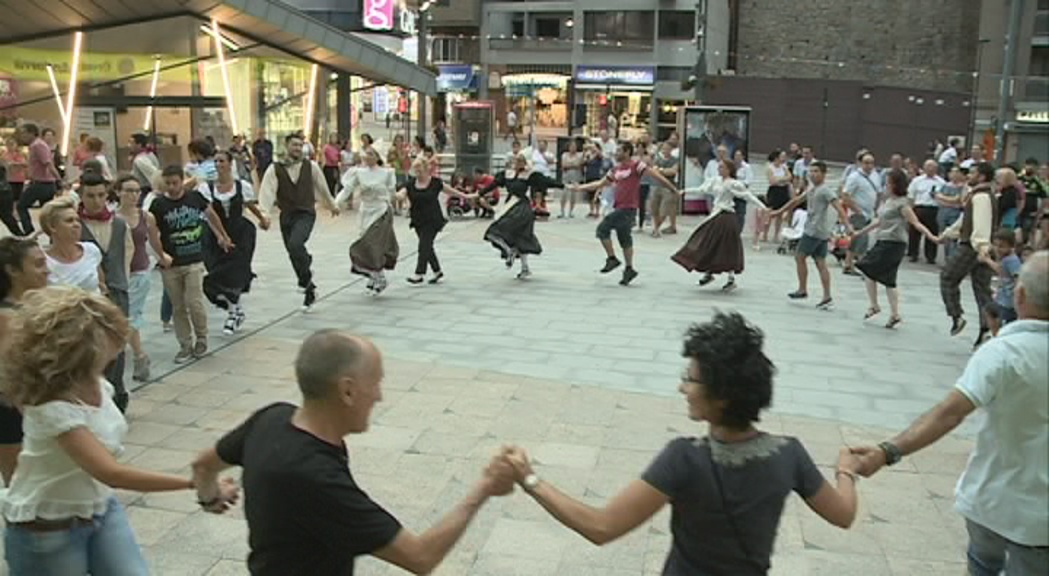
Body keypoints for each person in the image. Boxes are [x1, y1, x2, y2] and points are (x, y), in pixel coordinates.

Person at [499, 312, 860, 575]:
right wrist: (846, 471)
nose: (682, 388)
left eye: (690, 380)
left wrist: (529, 479)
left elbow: (601, 527)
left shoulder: (684, 460)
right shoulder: (790, 454)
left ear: (721, 396)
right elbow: (843, 515)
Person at [190, 330, 514, 576]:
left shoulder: (272, 417)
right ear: (347, 390)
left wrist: (209, 497)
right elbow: (420, 557)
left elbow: (203, 465)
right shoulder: (314, 478)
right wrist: (484, 487)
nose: (380, 396)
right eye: (376, 383)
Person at [0, 286, 239, 576]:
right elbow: (112, 473)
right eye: (107, 330)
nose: (120, 334)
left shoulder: (98, 383)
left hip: (99, 507)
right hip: (47, 528)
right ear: (78, 347)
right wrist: (198, 483)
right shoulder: (52, 407)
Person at [851, 251, 1048, 576]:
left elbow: (949, 414)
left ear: (1021, 294)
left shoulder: (1003, 353)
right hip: (1041, 522)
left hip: (992, 504)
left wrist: (887, 452)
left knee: (983, 565)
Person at [149, 165, 233, 363]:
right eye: (167, 183)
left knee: (194, 301)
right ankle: (185, 344)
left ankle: (201, 338)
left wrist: (222, 235)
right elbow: (152, 232)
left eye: (175, 183)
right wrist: (160, 255)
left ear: (182, 181)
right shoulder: (158, 205)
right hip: (171, 263)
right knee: (178, 306)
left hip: (194, 259)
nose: (172, 187)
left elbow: (212, 215)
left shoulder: (194, 198)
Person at [571, 142, 680, 287]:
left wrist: (673, 189)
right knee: (624, 238)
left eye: (619, 151)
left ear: (628, 152)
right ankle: (629, 269)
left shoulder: (636, 166)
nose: (616, 153)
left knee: (602, 229)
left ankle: (612, 259)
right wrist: (580, 188)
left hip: (628, 208)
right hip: (620, 207)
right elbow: (600, 183)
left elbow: (656, 176)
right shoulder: (616, 169)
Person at [256, 133, 340, 312]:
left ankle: (305, 271)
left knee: (296, 245)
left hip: (306, 213)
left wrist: (332, 205)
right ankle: (309, 289)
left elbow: (322, 187)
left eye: (300, 145)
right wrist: (265, 214)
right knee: (293, 254)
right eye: (294, 145)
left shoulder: (312, 167)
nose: (297, 148)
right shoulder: (275, 168)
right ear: (286, 146)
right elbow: (267, 192)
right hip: (286, 215)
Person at [77, 172, 134, 411]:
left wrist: (122, 281)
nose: (96, 201)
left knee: (117, 344)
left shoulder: (119, 223)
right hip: (87, 295)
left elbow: (127, 253)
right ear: (81, 195)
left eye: (101, 195)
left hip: (117, 291)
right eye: (90, 196)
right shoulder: (74, 225)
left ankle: (117, 391)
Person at [853, 169, 938, 328]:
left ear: (896, 185)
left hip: (894, 243)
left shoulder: (902, 204)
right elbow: (879, 221)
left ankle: (877, 306)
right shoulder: (888, 201)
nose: (886, 185)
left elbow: (915, 223)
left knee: (869, 268)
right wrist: (860, 232)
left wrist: (931, 236)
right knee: (886, 278)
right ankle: (892, 312)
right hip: (883, 240)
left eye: (889, 182)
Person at [672, 159, 766, 292]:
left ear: (729, 169)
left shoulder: (733, 184)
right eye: (719, 167)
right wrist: (684, 191)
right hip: (716, 215)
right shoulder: (715, 181)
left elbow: (748, 196)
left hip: (727, 217)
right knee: (709, 242)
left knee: (728, 247)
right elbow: (702, 189)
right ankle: (709, 271)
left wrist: (764, 207)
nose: (719, 169)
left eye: (722, 167)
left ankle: (730, 278)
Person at [768, 161, 851, 310]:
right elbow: (796, 201)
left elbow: (838, 208)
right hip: (819, 231)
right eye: (811, 171)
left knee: (800, 256)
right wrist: (779, 212)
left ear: (824, 174)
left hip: (814, 230)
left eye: (816, 171)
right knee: (820, 262)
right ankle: (826, 296)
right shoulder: (812, 189)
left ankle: (802, 289)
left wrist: (847, 225)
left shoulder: (825, 191)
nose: (813, 174)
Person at [203, 150, 269, 336]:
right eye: (215, 161)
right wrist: (220, 235)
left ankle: (233, 313)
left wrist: (262, 219)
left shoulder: (242, 186)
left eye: (222, 161)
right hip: (214, 236)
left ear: (230, 164)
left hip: (240, 233)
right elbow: (209, 214)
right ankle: (235, 309)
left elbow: (249, 205)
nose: (218, 165)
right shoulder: (206, 189)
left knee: (235, 271)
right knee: (216, 274)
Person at [0, 237, 49, 485]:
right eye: (38, 264)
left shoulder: (35, 303)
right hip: (16, 414)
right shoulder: (8, 317)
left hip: (39, 407)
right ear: (12, 270)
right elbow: (10, 379)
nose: (47, 269)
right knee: (21, 484)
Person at [939, 162, 998, 346]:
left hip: (972, 247)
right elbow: (966, 220)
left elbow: (980, 224)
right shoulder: (981, 195)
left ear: (981, 176)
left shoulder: (981, 197)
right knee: (982, 290)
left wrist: (981, 246)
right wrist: (948, 233)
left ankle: (957, 316)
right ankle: (986, 329)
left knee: (948, 276)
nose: (968, 176)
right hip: (980, 247)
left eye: (972, 173)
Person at [478, 153, 560, 279]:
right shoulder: (507, 174)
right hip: (511, 205)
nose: (518, 163)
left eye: (521, 161)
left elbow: (547, 181)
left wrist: (565, 186)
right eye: (517, 160)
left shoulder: (530, 175)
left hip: (522, 207)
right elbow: (493, 184)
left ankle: (522, 264)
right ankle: (510, 252)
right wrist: (479, 194)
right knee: (498, 232)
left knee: (520, 236)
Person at [396, 158, 475, 285]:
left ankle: (419, 273)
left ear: (426, 168)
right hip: (418, 219)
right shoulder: (410, 184)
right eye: (415, 168)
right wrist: (393, 195)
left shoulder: (435, 183)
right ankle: (437, 271)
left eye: (419, 168)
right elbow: (401, 194)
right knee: (427, 246)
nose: (417, 171)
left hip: (433, 219)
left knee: (423, 245)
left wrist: (467, 196)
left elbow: (451, 191)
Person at [114, 174, 158, 382]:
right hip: (118, 274)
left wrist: (162, 257)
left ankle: (139, 357)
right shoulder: (113, 219)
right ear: (118, 192)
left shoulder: (145, 216)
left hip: (140, 271)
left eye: (136, 191)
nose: (133, 195)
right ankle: (136, 355)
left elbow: (155, 241)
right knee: (122, 316)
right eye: (128, 191)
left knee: (129, 317)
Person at [336, 147, 399, 295]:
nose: (367, 156)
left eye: (371, 154)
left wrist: (396, 203)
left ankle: (379, 275)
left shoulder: (386, 173)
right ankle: (372, 274)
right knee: (365, 243)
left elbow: (392, 193)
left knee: (373, 243)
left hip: (381, 211)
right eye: (366, 153)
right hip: (366, 211)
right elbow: (347, 189)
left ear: (378, 157)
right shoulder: (359, 172)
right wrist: (336, 204)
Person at [840, 152, 882, 275]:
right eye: (866, 163)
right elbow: (845, 195)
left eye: (871, 163)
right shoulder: (854, 177)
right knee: (860, 238)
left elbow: (878, 192)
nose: (869, 166)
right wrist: (857, 210)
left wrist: (876, 207)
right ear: (860, 163)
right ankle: (854, 263)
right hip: (858, 213)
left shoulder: (875, 175)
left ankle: (849, 263)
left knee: (859, 239)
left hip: (869, 212)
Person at [16, 123, 61, 235]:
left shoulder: (38, 145)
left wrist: (59, 180)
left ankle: (29, 231)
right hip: (42, 183)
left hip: (42, 184)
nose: (22, 136)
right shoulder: (35, 145)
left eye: (24, 133)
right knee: (47, 212)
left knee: (21, 205)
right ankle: (52, 234)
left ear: (31, 133)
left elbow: (48, 164)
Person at [980, 229, 1023, 330]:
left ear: (1011, 247)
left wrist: (987, 260)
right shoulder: (1006, 258)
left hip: (1008, 302)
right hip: (1003, 298)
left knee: (1004, 322)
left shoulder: (1012, 260)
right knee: (992, 312)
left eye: (1002, 246)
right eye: (996, 245)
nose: (997, 249)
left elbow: (1015, 276)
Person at [907, 159, 946, 264]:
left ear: (936, 169)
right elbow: (911, 196)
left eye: (932, 167)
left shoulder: (941, 182)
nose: (930, 169)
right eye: (928, 166)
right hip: (919, 207)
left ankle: (931, 256)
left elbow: (944, 197)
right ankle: (913, 254)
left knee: (932, 232)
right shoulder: (917, 180)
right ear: (924, 168)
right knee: (914, 233)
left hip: (933, 209)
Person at [756, 149, 792, 248]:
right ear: (776, 157)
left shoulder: (784, 167)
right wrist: (782, 179)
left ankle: (776, 234)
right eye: (781, 156)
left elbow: (789, 177)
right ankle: (765, 234)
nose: (783, 158)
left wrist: (780, 179)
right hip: (774, 191)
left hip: (783, 191)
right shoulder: (770, 167)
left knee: (780, 214)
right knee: (770, 213)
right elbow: (772, 181)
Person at [935, 166, 967, 261]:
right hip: (942, 212)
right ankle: (946, 258)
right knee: (944, 236)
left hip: (955, 213)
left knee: (953, 236)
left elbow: (958, 200)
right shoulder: (945, 185)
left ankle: (952, 258)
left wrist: (943, 198)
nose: (954, 174)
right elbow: (937, 198)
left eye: (956, 172)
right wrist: (949, 201)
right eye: (952, 172)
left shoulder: (963, 187)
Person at [650, 142, 681, 237]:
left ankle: (656, 228)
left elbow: (673, 171)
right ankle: (656, 228)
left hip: (668, 188)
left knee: (664, 210)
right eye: (663, 148)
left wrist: (661, 170)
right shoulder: (657, 159)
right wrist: (664, 171)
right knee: (655, 209)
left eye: (667, 148)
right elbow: (653, 170)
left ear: (671, 150)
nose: (665, 150)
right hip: (655, 186)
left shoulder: (675, 160)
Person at [128, 133, 160, 202]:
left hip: (145, 192)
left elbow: (153, 174)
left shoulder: (140, 159)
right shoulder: (150, 154)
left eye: (131, 143)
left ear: (139, 145)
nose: (129, 146)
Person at [559, 138, 584, 219]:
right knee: (564, 194)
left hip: (575, 176)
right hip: (566, 177)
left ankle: (571, 211)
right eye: (572, 146)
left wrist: (570, 165)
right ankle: (562, 211)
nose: (573, 148)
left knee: (573, 195)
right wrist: (573, 165)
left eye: (575, 146)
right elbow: (563, 165)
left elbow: (579, 165)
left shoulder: (580, 155)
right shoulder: (564, 155)